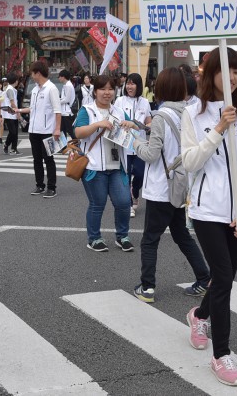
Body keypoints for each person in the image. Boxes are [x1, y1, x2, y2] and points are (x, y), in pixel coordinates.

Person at [181, 47, 237, 387]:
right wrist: (217, 129)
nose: (232, 78)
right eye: (224, 71)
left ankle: (198, 315)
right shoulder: (192, 114)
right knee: (224, 278)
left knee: (224, 278)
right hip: (206, 210)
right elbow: (190, 163)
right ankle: (221, 354)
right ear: (209, 73)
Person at [132, 67, 211, 302]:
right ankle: (204, 277)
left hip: (161, 187)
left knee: (150, 239)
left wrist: (134, 142)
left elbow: (151, 154)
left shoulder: (161, 116)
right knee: (181, 235)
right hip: (181, 182)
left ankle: (147, 287)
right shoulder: (190, 113)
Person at [74, 75, 137, 252]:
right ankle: (94, 238)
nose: (107, 93)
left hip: (117, 166)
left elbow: (137, 127)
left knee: (124, 202)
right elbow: (78, 132)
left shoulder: (117, 110)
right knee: (97, 203)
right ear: (95, 91)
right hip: (94, 167)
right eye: (103, 89)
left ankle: (122, 236)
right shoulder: (87, 110)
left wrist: (130, 123)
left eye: (110, 89)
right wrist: (97, 125)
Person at [15, 61, 61, 198]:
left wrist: (57, 129)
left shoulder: (51, 89)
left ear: (38, 73)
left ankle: (51, 187)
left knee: (48, 159)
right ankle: (39, 185)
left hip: (47, 130)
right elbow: (33, 108)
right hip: (34, 130)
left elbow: (57, 111)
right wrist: (19, 110)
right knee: (36, 159)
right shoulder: (35, 89)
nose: (32, 76)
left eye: (32, 73)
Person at [114, 73, 151, 217]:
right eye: (127, 84)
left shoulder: (144, 102)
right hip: (124, 145)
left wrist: (141, 126)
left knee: (141, 174)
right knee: (126, 176)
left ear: (138, 86)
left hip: (140, 145)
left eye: (132, 84)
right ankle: (129, 204)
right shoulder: (119, 101)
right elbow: (115, 121)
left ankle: (135, 193)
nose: (129, 86)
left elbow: (149, 122)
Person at [1, 73, 21, 155]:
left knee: (15, 132)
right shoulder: (10, 89)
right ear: (15, 81)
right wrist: (18, 112)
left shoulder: (12, 89)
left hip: (12, 113)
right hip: (9, 114)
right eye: (17, 80)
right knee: (12, 132)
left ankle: (14, 148)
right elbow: (12, 102)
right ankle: (6, 144)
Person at [58, 69, 76, 139]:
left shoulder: (68, 85)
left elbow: (67, 99)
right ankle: (64, 147)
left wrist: (57, 101)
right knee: (62, 131)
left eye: (59, 76)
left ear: (63, 77)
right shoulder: (66, 85)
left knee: (70, 131)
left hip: (67, 112)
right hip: (63, 112)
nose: (59, 78)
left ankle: (77, 145)